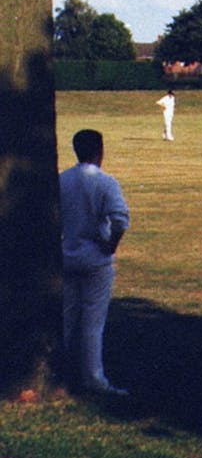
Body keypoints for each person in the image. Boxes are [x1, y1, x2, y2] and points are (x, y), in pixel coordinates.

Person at [60, 129, 130, 396]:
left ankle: (60, 372)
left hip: (67, 253)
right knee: (92, 322)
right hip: (96, 258)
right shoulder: (106, 182)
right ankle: (93, 378)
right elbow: (120, 219)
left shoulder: (62, 179)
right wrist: (110, 245)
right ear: (99, 150)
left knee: (66, 317)